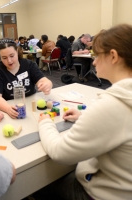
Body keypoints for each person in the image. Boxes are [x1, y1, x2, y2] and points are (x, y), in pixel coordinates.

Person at [35, 24, 132, 200]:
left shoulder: (113, 105)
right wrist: (85, 116)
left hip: (107, 194)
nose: (93, 61)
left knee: (38, 183)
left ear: (113, 56)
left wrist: (45, 122)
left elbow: (60, 152)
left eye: (96, 55)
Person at [0, 39, 53, 119]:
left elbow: (44, 80)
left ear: (17, 51)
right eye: (4, 58)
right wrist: (7, 108)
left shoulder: (29, 65)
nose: (9, 61)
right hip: (10, 107)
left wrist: (47, 84)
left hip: (31, 106)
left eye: (12, 56)